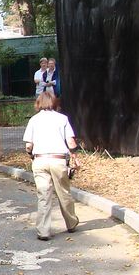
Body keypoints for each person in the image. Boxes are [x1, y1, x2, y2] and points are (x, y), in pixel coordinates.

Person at [22, 91, 80, 240]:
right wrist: (74, 156)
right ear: (54, 102)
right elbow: (71, 142)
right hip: (58, 160)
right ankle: (71, 222)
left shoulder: (34, 120)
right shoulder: (63, 119)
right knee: (64, 193)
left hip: (40, 160)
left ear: (38, 103)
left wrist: (31, 156)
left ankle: (43, 231)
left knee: (44, 195)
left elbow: (29, 145)